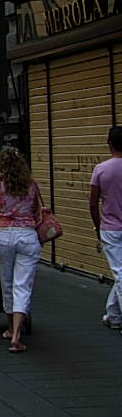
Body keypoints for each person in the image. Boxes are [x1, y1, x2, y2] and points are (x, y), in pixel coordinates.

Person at [0, 146, 42, 353]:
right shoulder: (32, 184)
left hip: (4, 235)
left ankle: (10, 327)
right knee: (22, 285)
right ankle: (17, 333)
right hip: (27, 235)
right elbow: (37, 211)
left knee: (6, 283)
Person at [90, 126, 122, 331]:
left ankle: (117, 317)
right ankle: (113, 315)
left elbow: (93, 203)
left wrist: (97, 226)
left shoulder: (101, 169)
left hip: (110, 228)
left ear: (109, 143)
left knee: (120, 273)